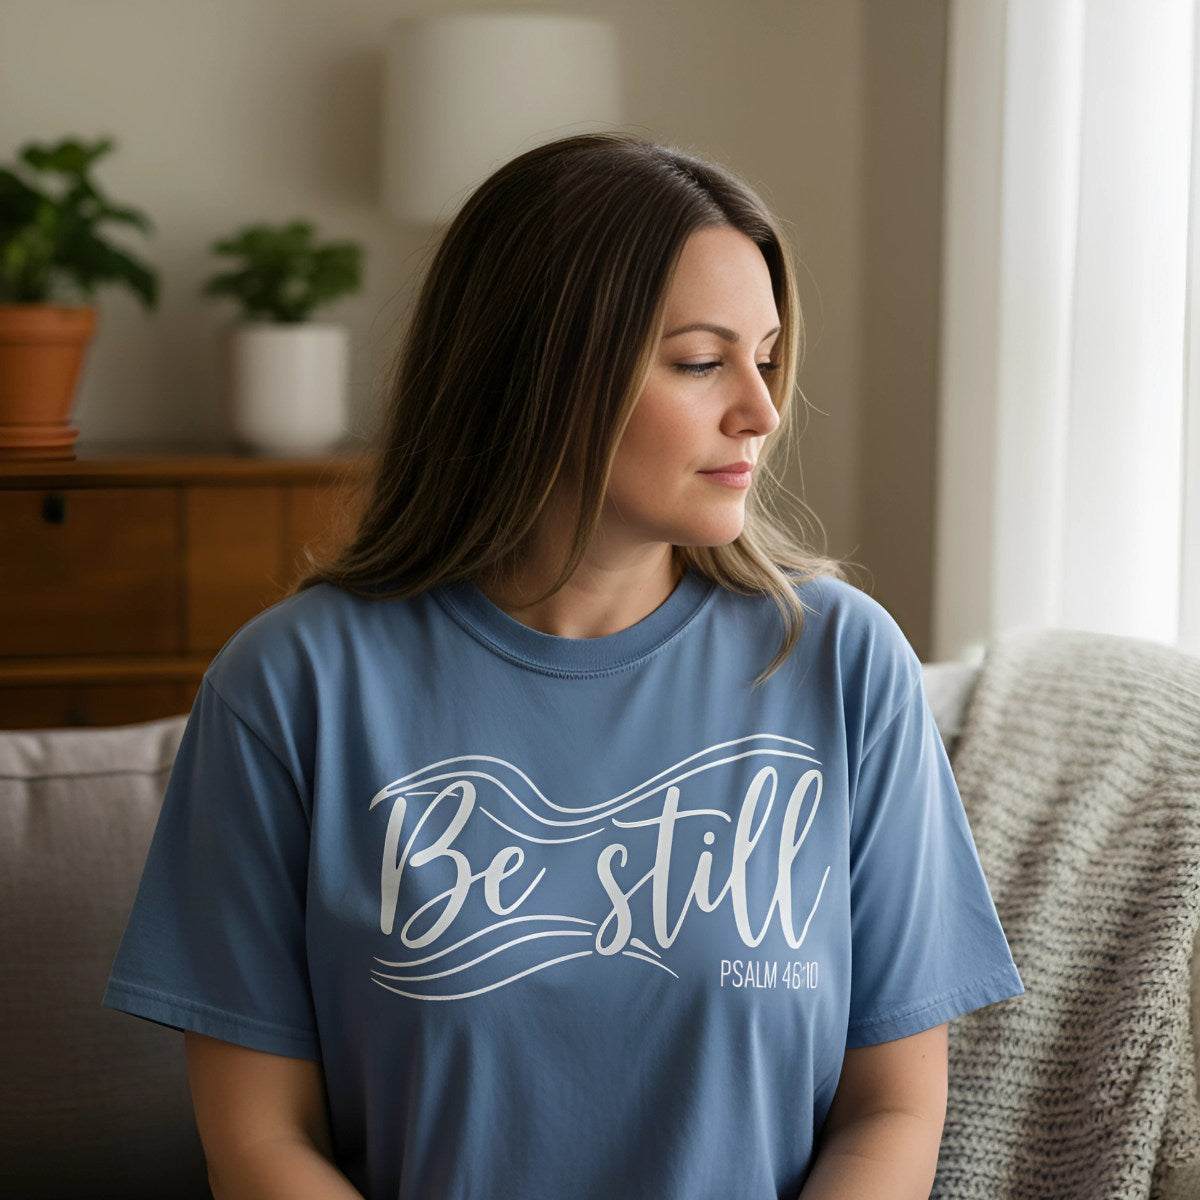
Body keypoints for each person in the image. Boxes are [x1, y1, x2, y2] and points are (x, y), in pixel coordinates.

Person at [104, 133, 1022, 1200]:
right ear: (535, 371)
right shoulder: (293, 686)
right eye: (698, 360)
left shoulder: (842, 663)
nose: (762, 412)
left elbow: (894, 1109)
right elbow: (261, 1144)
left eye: (766, 358)